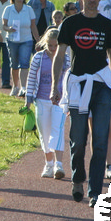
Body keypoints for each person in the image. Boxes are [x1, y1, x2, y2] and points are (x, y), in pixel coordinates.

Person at [51, 0, 111, 208]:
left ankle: (95, 192)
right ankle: (78, 179)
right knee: (78, 140)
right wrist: (55, 86)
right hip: (77, 86)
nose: (92, 0)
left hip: (101, 86)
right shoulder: (70, 24)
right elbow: (59, 56)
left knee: (100, 141)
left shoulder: (107, 25)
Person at [25, 28, 69, 180]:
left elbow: (69, 79)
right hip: (41, 100)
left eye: (56, 45)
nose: (53, 48)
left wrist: (70, 99)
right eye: (50, 45)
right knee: (44, 132)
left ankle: (59, 164)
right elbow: (31, 78)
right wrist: (28, 100)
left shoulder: (66, 59)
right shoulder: (38, 57)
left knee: (58, 129)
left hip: (59, 101)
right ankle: (48, 164)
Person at [1, 0, 39, 96]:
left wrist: (38, 40)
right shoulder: (8, 9)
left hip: (26, 40)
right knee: (14, 64)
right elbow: (4, 25)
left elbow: (33, 26)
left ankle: (23, 87)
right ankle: (15, 86)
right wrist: (9, 29)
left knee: (24, 63)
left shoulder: (28, 9)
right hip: (12, 40)